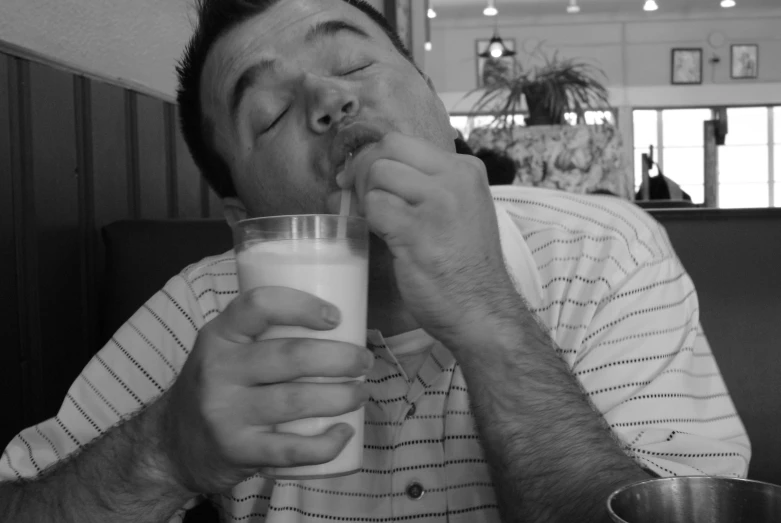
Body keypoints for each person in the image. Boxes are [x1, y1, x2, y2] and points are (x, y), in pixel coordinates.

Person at [0, 1, 749, 522]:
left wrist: (487, 314)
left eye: (353, 63)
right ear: (244, 221)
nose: (327, 98)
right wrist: (164, 450)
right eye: (269, 112)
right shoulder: (209, 310)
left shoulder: (606, 252)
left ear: (433, 102)